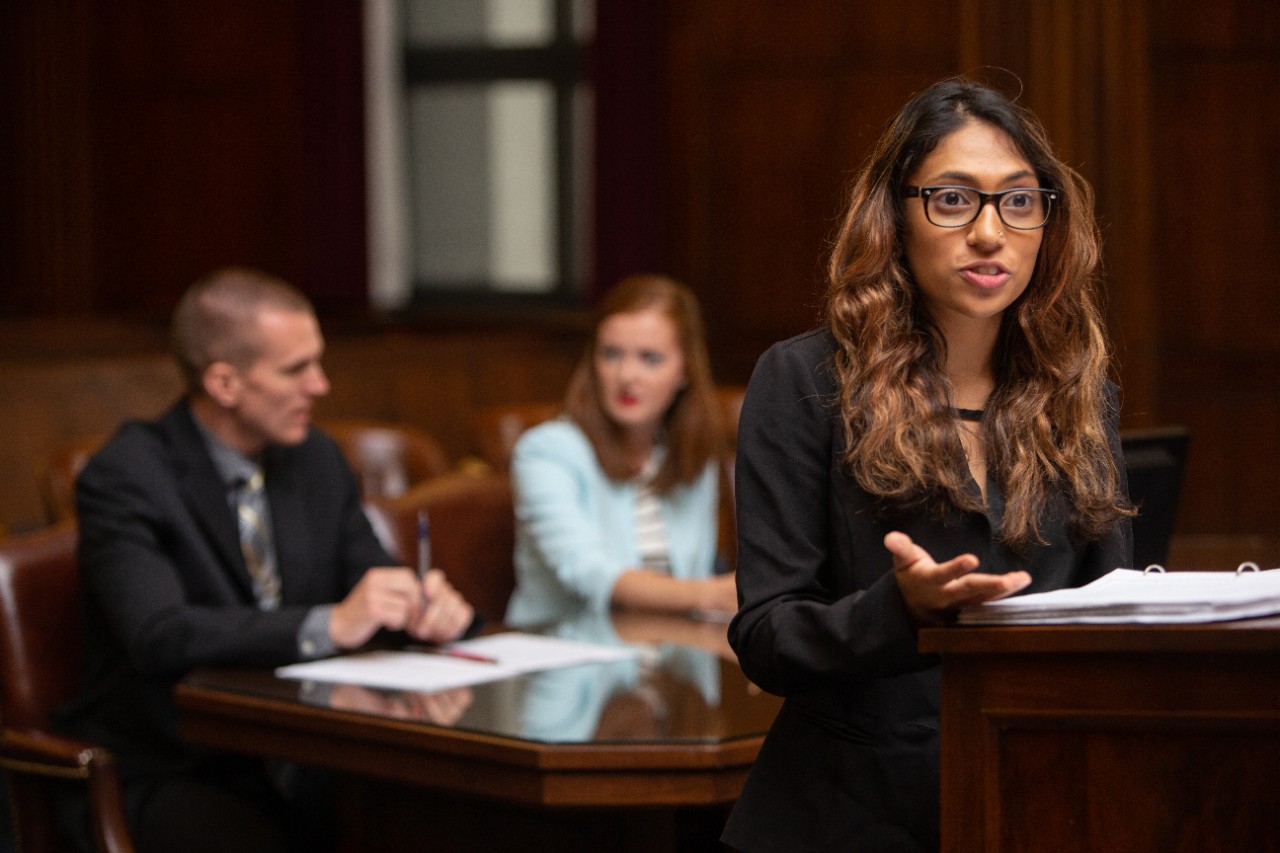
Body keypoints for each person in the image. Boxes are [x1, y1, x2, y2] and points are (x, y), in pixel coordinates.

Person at [721, 78, 1135, 853]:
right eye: (952, 199)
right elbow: (765, 634)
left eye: (1019, 201)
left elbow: (1106, 616)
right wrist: (898, 611)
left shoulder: (1083, 394)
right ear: (895, 216)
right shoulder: (804, 381)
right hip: (844, 816)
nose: (990, 231)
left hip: (1035, 804)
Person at [54, 267, 477, 853]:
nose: (321, 385)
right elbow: (158, 634)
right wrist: (328, 623)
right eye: (295, 369)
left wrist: (425, 611)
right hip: (174, 766)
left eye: (318, 362)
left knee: (438, 818)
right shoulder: (128, 476)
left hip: (304, 751)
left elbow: (371, 580)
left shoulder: (315, 460)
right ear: (225, 383)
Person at [503, 274, 737, 627]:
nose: (627, 375)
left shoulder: (692, 452)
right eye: (611, 354)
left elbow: (696, 571)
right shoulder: (545, 451)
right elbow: (586, 571)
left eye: (650, 358)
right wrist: (712, 594)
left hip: (673, 657)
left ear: (686, 371)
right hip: (564, 658)